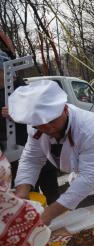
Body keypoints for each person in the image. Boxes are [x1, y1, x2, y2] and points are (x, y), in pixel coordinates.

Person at [9, 80, 94, 225]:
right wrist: (22, 194)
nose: (48, 128)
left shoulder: (92, 128)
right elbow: (31, 159)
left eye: (52, 121)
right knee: (86, 222)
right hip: (81, 175)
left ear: (65, 109)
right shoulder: (36, 127)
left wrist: (48, 214)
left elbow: (89, 177)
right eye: (40, 125)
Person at [0, 32, 59, 205]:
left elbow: (43, 116)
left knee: (51, 191)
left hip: (35, 147)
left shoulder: (23, 89)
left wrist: (18, 114)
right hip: (12, 156)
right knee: (27, 198)